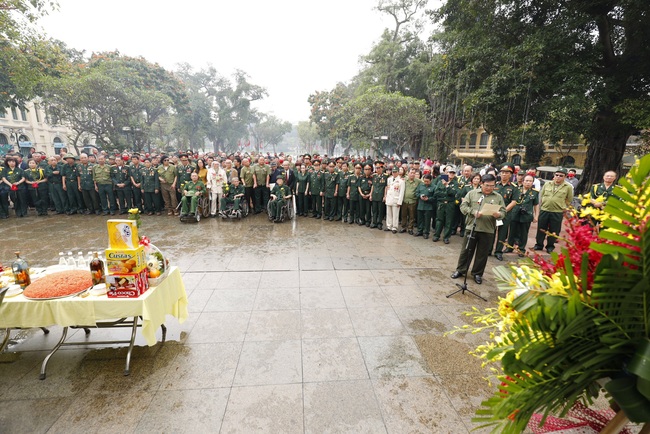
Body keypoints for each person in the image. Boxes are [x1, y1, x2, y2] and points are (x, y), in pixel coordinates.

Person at [451, 174, 506, 284]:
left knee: (482, 254)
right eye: (487, 185)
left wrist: (498, 214)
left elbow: (504, 212)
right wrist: (473, 212)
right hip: (472, 227)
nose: (489, 188)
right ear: (481, 184)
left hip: (488, 229)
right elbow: (463, 206)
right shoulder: (472, 193)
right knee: (466, 251)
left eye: (492, 186)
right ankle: (461, 270)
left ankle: (477, 273)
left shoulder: (498, 197)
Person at [534, 167, 574, 254]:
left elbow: (569, 199)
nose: (558, 177)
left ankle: (550, 246)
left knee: (554, 230)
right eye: (556, 175)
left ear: (565, 177)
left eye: (561, 175)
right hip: (544, 209)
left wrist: (563, 207)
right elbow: (541, 195)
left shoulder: (568, 187)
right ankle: (539, 244)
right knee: (541, 228)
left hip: (557, 211)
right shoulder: (547, 184)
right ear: (554, 175)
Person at [507, 174, 539, 256]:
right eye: (527, 181)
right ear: (523, 181)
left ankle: (521, 249)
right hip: (515, 213)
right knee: (512, 232)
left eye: (530, 181)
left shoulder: (534, 192)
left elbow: (536, 205)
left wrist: (536, 216)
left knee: (524, 233)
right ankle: (509, 247)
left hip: (526, 215)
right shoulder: (516, 190)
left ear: (532, 182)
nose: (528, 183)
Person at [492, 164, 519, 261]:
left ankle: (498, 252)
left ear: (510, 175)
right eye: (502, 172)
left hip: (506, 214)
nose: (504, 174)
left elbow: (514, 201)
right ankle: (488, 249)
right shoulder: (495, 185)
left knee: (502, 234)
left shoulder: (514, 187)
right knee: (491, 232)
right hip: (493, 213)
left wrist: (503, 211)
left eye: (506, 173)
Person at [433, 166, 460, 243]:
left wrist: (447, 186)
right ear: (446, 173)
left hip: (450, 204)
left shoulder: (455, 183)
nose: (451, 174)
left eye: (453, 173)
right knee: (439, 220)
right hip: (441, 203)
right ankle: (436, 235)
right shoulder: (440, 181)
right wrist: (447, 193)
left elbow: (455, 193)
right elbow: (436, 193)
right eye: (450, 172)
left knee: (449, 221)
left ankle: (446, 237)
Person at [414, 174, 437, 239]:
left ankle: (426, 232)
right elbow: (416, 193)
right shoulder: (421, 185)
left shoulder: (434, 187)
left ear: (431, 180)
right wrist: (420, 196)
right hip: (420, 205)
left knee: (427, 220)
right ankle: (420, 230)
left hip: (428, 206)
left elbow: (435, 197)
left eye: (427, 181)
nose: (426, 183)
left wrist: (428, 199)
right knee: (420, 219)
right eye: (425, 181)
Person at [400, 168, 422, 234]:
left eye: (414, 173)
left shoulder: (418, 181)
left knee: (412, 216)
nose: (412, 174)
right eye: (411, 173)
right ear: (408, 173)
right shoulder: (404, 180)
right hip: (405, 200)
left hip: (413, 201)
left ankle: (410, 228)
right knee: (403, 215)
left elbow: (424, 184)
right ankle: (403, 227)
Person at [384, 167, 405, 233]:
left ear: (398, 172)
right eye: (393, 172)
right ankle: (389, 226)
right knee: (389, 213)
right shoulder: (389, 179)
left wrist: (399, 202)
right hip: (389, 198)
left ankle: (394, 227)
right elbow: (387, 188)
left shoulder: (401, 181)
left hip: (396, 199)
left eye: (395, 172)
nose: (394, 173)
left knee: (395, 214)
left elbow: (402, 192)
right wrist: (386, 196)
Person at [370, 162, 388, 229]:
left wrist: (385, 196)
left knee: (380, 210)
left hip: (381, 195)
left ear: (382, 168)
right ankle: (374, 222)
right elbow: (373, 186)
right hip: (374, 195)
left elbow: (386, 187)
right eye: (376, 168)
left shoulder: (385, 176)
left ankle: (379, 223)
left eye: (379, 168)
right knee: (374, 210)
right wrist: (371, 195)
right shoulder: (374, 176)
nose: (377, 169)